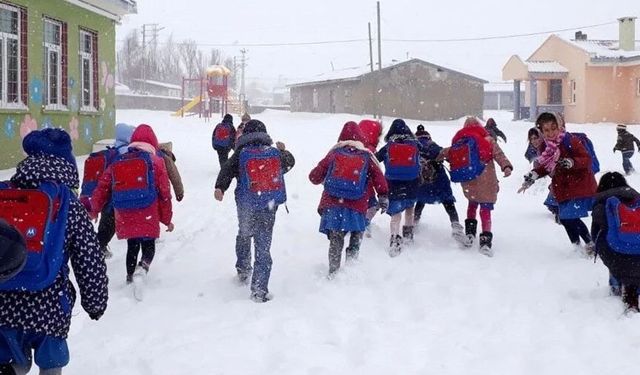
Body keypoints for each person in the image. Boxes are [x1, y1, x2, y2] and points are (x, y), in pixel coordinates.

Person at [0, 128, 108, 375]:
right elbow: (89, 258)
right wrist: (95, 304)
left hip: (3, 301)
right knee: (51, 363)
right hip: (49, 307)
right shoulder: (68, 204)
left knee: (10, 361)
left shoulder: (7, 194)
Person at [214, 119, 295, 302]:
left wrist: (220, 187)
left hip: (246, 205)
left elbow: (226, 170)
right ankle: (259, 290)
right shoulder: (274, 153)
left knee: (244, 234)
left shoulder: (241, 153)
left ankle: (243, 269)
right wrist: (284, 151)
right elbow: (290, 163)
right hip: (269, 206)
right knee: (263, 246)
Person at [91, 124, 174, 286]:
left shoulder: (118, 161)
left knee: (133, 244)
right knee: (148, 245)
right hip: (148, 209)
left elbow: (103, 186)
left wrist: (93, 209)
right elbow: (165, 193)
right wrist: (167, 218)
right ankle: (142, 267)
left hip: (124, 210)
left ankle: (129, 277)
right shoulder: (156, 162)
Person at [309, 121, 388, 276]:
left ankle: (334, 272)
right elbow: (379, 178)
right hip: (357, 205)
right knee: (356, 235)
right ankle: (351, 269)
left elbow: (314, 177)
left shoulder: (334, 153)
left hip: (333, 204)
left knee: (336, 239)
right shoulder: (366, 155)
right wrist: (383, 195)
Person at [519, 112, 596, 254]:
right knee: (566, 218)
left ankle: (589, 243)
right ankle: (577, 245)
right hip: (562, 188)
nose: (550, 133)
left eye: (553, 128)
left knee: (569, 216)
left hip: (578, 185)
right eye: (546, 130)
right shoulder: (546, 147)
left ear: (560, 127)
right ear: (541, 131)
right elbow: (545, 166)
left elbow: (586, 159)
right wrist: (534, 174)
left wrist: (572, 162)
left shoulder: (570, 141)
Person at [441, 117, 512, 257]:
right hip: (486, 178)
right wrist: (506, 166)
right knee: (485, 210)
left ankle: (470, 235)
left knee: (472, 204)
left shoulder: (461, 141)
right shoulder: (488, 140)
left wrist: (434, 155)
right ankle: (485, 242)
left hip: (469, 179)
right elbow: (499, 154)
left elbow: (447, 153)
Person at [375, 119, 426, 256]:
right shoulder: (415, 144)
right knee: (410, 207)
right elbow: (425, 152)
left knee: (396, 211)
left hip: (393, 182)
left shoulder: (388, 146)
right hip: (412, 181)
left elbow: (375, 159)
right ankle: (408, 234)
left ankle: (394, 238)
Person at [591, 172, 640, 313]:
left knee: (612, 249)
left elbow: (595, 234)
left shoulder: (602, 204)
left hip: (617, 254)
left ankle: (617, 289)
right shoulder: (637, 200)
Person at [87, 123, 136, 259]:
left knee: (106, 222)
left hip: (105, 194)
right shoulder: (126, 151)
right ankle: (97, 248)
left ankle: (98, 246)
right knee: (111, 224)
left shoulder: (112, 149)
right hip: (117, 194)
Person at [414, 125, 465, 244]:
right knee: (448, 203)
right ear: (429, 137)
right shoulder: (435, 147)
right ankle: (456, 225)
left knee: (419, 201)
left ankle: (414, 223)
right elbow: (450, 157)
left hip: (421, 184)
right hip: (439, 184)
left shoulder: (414, 148)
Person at [358, 119, 384, 237]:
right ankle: (364, 224)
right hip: (365, 186)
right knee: (372, 206)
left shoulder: (352, 144)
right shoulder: (371, 151)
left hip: (350, 183)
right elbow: (375, 173)